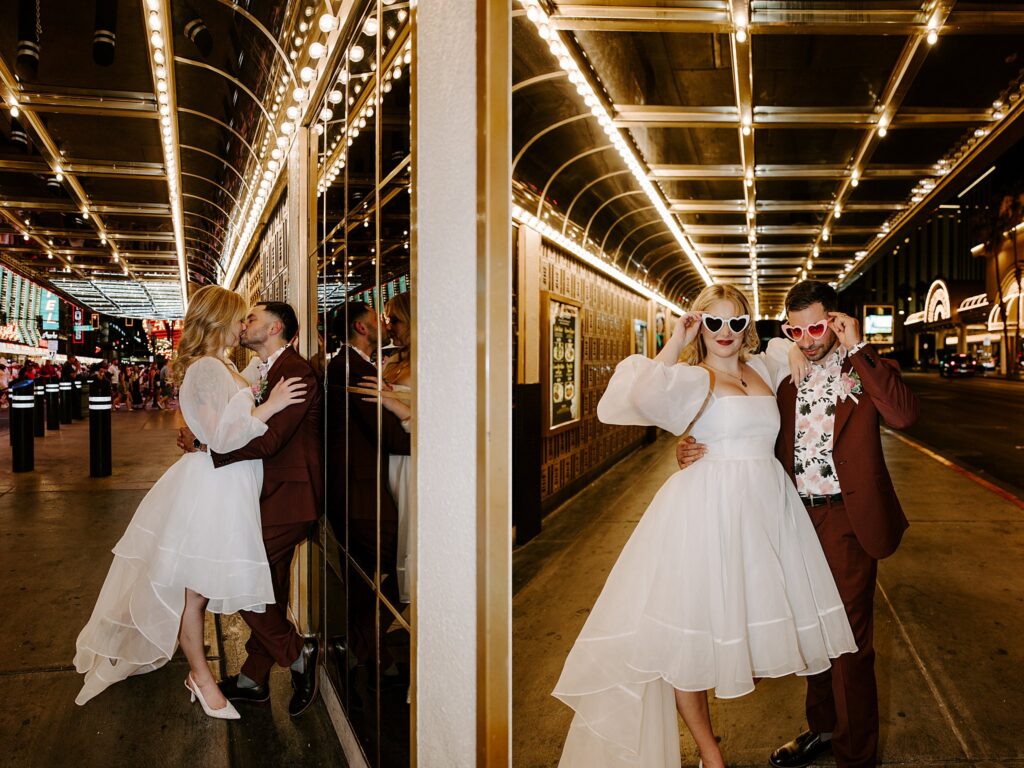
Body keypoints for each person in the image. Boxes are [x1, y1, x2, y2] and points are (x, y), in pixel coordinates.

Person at [554, 283, 857, 768]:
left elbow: (808, 339)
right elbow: (637, 393)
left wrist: (810, 347)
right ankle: (709, 753)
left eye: (736, 322)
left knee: (753, 635)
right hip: (705, 512)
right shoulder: (689, 379)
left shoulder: (766, 365)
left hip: (766, 514)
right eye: (712, 321)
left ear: (747, 327)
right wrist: (677, 338)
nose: (725, 332)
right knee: (687, 634)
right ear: (699, 324)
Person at [677, 280, 918, 768]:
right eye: (796, 329)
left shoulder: (865, 368)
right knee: (812, 632)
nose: (807, 338)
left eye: (816, 326)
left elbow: (904, 415)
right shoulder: (783, 377)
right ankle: (823, 729)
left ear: (835, 320)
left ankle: (855, 754)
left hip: (846, 519)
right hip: (790, 516)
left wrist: (860, 346)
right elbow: (745, 431)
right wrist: (687, 449)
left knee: (848, 641)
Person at [74, 285, 308, 719]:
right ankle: (202, 676)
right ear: (219, 320)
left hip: (229, 484)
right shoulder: (206, 368)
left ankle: (226, 672)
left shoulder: (219, 366)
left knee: (202, 588)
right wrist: (270, 406)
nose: (243, 325)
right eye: (239, 317)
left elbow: (215, 428)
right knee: (197, 591)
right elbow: (223, 436)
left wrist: (258, 387)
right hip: (216, 489)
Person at [179, 301, 323, 717]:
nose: (245, 324)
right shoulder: (259, 370)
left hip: (289, 497)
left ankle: (298, 652)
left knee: (238, 575)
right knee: (267, 586)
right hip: (265, 496)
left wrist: (208, 448)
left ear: (275, 327)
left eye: (253, 318)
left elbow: (269, 440)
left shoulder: (295, 372)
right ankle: (253, 679)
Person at [325, 302, 410, 669]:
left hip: (367, 485)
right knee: (401, 560)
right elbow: (390, 436)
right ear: (361, 327)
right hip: (361, 491)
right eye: (379, 319)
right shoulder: (353, 368)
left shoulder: (359, 365)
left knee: (368, 573)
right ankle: (368, 645)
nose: (386, 324)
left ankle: (367, 649)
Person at [381, 292, 413, 603]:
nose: (389, 327)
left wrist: (394, 405)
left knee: (410, 536)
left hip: (413, 465)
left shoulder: (431, 362)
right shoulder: (391, 359)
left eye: (395, 320)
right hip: (387, 460)